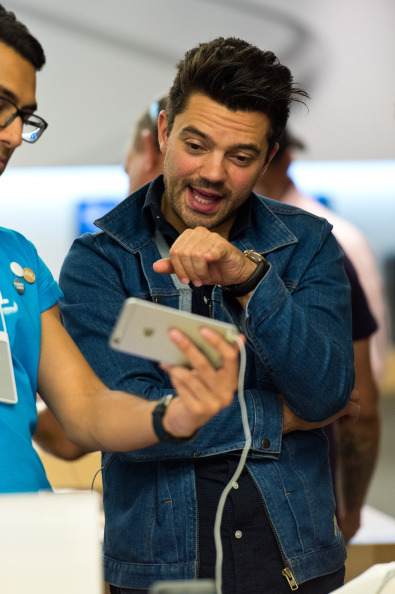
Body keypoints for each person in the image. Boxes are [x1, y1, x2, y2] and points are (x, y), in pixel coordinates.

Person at [59, 37, 356, 593]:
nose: (213, 173)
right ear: (165, 132)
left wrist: (249, 279)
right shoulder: (100, 263)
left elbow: (325, 394)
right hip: (159, 566)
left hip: (297, 559)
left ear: (267, 158)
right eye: (196, 144)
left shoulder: (307, 244)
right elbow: (126, 422)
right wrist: (278, 418)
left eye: (240, 157)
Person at [0, 6, 241, 494]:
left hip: (27, 542)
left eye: (24, 117)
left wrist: (175, 414)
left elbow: (85, 411)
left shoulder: (17, 260)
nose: (12, 135)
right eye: (1, 104)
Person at [255, 131, 382, 542]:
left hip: (303, 498)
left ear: (278, 158)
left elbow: (358, 397)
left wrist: (349, 509)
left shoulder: (325, 244)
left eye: (246, 157)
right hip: (303, 503)